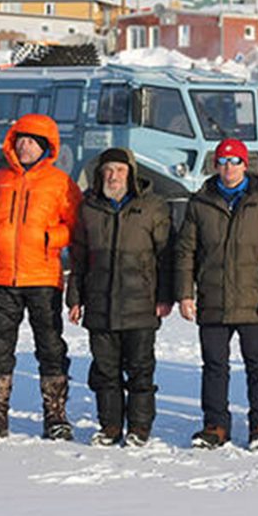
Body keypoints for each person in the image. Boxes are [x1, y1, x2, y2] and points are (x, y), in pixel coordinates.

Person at [0, 114, 83, 441]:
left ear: (46, 147)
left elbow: (76, 224)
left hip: (44, 277)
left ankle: (56, 415)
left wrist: (51, 238)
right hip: (2, 277)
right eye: (20, 139)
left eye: (32, 141)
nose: (24, 145)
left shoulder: (60, 183)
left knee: (50, 346)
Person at [174, 138, 258, 450]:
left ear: (245, 165)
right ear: (214, 165)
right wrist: (185, 293)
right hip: (213, 299)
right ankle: (215, 425)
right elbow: (186, 252)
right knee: (214, 365)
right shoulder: (200, 203)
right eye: (222, 162)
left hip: (253, 300)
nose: (228, 168)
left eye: (234, 161)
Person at [67, 148, 174, 446]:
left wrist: (165, 296)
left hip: (140, 302)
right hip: (100, 304)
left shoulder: (152, 207)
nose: (113, 176)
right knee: (105, 370)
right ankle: (110, 426)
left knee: (140, 369)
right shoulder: (88, 208)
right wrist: (75, 298)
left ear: (131, 173)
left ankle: (139, 427)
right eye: (108, 170)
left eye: (120, 170)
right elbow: (78, 257)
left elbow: (166, 256)